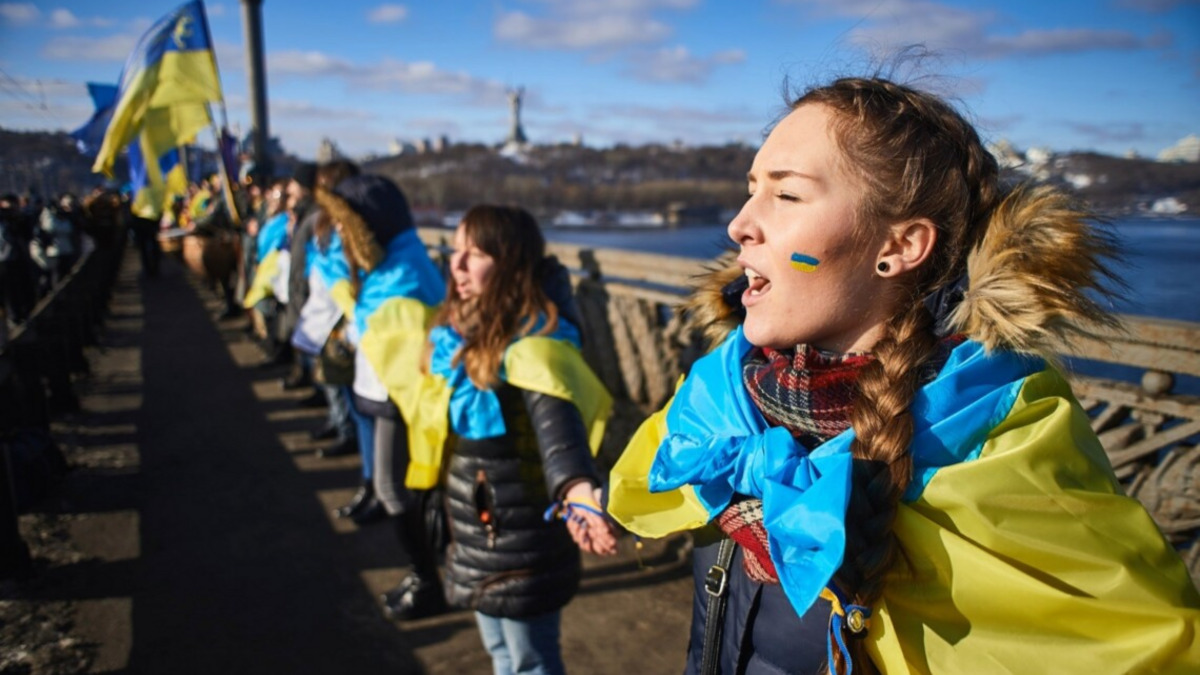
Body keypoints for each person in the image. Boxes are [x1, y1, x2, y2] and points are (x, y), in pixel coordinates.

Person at [606, 75, 1200, 674]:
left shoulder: (998, 439)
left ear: (900, 246)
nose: (739, 224)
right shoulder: (722, 392)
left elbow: (1142, 646)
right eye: (751, 190)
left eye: (786, 197)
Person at [405, 205, 616, 674]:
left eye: (474, 253)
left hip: (521, 545)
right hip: (479, 535)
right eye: (456, 250)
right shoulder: (460, 331)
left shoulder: (534, 346)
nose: (455, 265)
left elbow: (558, 429)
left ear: (511, 264)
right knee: (502, 653)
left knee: (530, 661)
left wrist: (578, 492)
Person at [315, 174, 448, 610]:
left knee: (396, 489)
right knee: (402, 489)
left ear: (366, 230)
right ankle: (426, 573)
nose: (339, 238)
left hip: (397, 398)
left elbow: (410, 364)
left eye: (344, 229)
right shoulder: (393, 269)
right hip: (384, 391)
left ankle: (426, 579)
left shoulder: (402, 280)